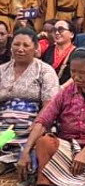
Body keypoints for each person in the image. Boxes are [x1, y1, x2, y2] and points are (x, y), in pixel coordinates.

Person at [17, 45, 85, 186]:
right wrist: (25, 151)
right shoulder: (65, 93)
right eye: (73, 72)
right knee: (44, 142)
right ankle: (64, 179)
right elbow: (43, 120)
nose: (76, 77)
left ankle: (75, 178)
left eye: (82, 73)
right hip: (68, 146)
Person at [0, 29, 60, 171]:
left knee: (35, 143)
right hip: (4, 126)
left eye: (26, 45)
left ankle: (15, 159)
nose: (20, 49)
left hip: (32, 125)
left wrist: (37, 124)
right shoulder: (2, 70)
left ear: (35, 48)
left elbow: (49, 105)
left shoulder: (45, 71)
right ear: (11, 46)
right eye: (16, 44)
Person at [41, 20, 77, 85]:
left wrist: (62, 88)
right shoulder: (48, 49)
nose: (57, 33)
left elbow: (77, 75)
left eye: (61, 30)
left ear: (72, 34)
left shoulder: (77, 53)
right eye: (54, 30)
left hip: (66, 90)